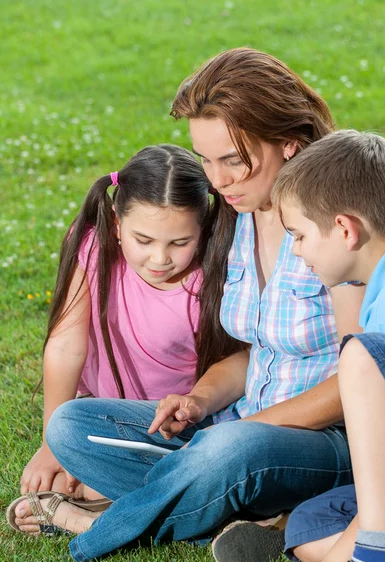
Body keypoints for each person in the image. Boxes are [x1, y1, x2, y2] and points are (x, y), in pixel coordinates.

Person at [8, 49, 361, 562]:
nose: (217, 181)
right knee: (71, 427)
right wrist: (197, 401)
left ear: (288, 144)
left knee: (226, 452)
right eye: (206, 161)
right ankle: (254, 518)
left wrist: (253, 429)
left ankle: (97, 524)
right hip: (238, 432)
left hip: (323, 443)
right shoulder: (236, 220)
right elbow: (254, 354)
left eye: (234, 160)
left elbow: (363, 375)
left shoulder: (331, 225)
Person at [16, 144, 243, 504]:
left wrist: (191, 404)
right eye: (144, 240)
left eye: (180, 242)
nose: (160, 258)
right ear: (118, 224)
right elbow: (66, 345)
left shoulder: (209, 277)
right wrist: (50, 445)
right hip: (101, 413)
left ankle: (125, 498)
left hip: (169, 427)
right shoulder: (93, 246)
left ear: (202, 231)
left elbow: (239, 363)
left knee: (85, 488)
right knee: (57, 482)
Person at [268, 129, 385, 562]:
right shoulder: (382, 293)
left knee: (361, 355)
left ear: (345, 229)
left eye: (299, 236)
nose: (297, 251)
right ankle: (379, 560)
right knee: (308, 526)